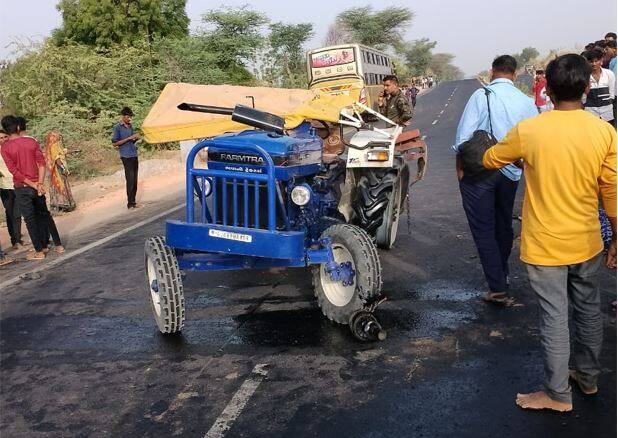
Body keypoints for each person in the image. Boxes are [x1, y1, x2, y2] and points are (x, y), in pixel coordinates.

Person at [482, 53, 616, 413]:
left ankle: (557, 394)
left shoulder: (531, 130)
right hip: (587, 240)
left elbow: (491, 158)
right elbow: (612, 191)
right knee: (588, 310)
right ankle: (587, 377)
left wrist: (522, 157)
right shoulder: (604, 131)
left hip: (544, 245)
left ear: (547, 90)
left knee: (554, 316)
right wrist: (616, 236)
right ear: (587, 88)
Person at [453, 55, 538, 304]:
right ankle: (502, 273)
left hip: (480, 170)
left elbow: (462, 139)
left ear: (492, 72)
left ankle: (497, 286)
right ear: (515, 73)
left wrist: (459, 168)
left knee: (483, 229)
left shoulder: (482, 95)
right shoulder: (527, 102)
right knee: (503, 224)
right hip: (512, 171)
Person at [1, 116, 64, 261]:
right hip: (37, 185)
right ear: (18, 127)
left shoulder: (5, 148)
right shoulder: (31, 141)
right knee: (45, 215)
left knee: (30, 219)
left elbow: (14, 171)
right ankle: (59, 245)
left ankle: (39, 251)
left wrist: (33, 184)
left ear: (6, 130)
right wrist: (39, 183)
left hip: (22, 187)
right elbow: (41, 163)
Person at [112, 107, 141, 209]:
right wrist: (128, 138)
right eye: (128, 117)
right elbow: (115, 143)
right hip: (125, 156)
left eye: (130, 117)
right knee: (130, 180)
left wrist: (135, 138)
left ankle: (134, 201)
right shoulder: (117, 128)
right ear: (123, 116)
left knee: (135, 180)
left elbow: (131, 141)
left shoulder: (130, 126)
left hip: (133, 154)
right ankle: (130, 203)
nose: (129, 119)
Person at [0, 129, 24, 250]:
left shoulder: (12, 149)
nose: (3, 139)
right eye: (0, 138)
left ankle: (18, 238)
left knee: (17, 213)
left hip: (16, 183)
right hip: (4, 187)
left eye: (5, 137)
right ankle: (14, 240)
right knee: (10, 213)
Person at [582, 49, 616, 127]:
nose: (594, 64)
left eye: (596, 61)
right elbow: (583, 97)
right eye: (591, 61)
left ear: (601, 60)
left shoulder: (609, 74)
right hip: (590, 113)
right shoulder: (584, 76)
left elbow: (611, 94)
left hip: (607, 113)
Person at [44, 131, 76, 212]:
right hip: (58, 169)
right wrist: (63, 168)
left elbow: (62, 151)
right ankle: (64, 205)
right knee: (62, 185)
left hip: (56, 169)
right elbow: (57, 158)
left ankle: (59, 205)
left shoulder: (53, 145)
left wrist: (73, 151)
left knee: (59, 186)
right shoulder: (54, 146)